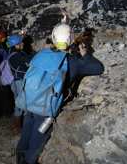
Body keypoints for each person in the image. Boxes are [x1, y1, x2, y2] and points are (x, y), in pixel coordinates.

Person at [16, 19, 104, 164]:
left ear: (54, 38)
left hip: (28, 102)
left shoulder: (41, 54)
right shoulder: (72, 62)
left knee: (25, 136)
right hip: (44, 110)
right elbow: (98, 68)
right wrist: (84, 53)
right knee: (35, 145)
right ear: (70, 39)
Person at [7, 34, 34, 133]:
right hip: (17, 83)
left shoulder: (15, 54)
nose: (23, 43)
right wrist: (42, 52)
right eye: (20, 42)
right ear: (16, 45)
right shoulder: (15, 56)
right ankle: (17, 128)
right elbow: (27, 60)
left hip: (19, 82)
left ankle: (20, 127)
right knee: (19, 106)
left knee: (22, 104)